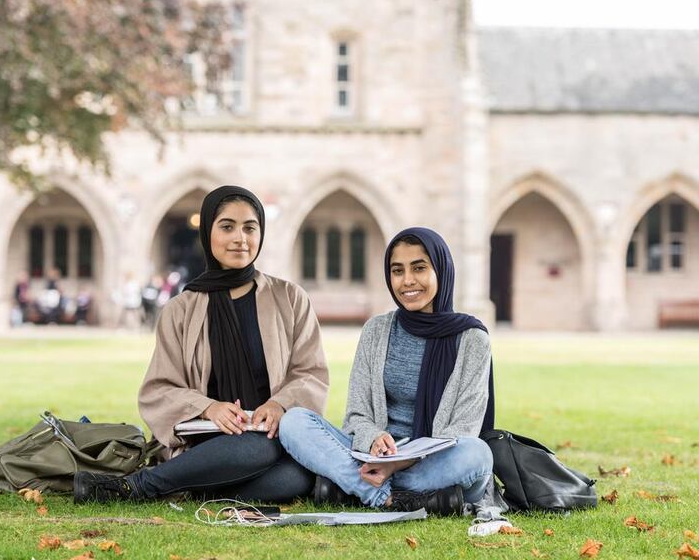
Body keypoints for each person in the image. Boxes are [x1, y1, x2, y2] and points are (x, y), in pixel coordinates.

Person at [74, 185, 329, 504]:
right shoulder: (180, 310)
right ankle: (144, 485)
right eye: (227, 227)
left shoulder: (290, 299)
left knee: (291, 475)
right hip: (206, 439)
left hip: (277, 434)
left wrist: (278, 405)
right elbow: (159, 389)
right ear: (208, 232)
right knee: (262, 452)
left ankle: (178, 483)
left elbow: (311, 373)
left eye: (250, 227)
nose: (241, 238)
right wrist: (208, 408)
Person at [279, 227, 495, 514]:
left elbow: (463, 429)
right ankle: (393, 498)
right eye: (397, 270)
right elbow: (357, 415)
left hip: (434, 462)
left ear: (441, 270)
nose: (407, 281)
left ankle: (353, 487)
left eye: (419, 268)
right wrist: (374, 438)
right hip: (374, 457)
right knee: (293, 421)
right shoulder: (377, 331)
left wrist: (401, 462)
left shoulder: (472, 339)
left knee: (477, 454)